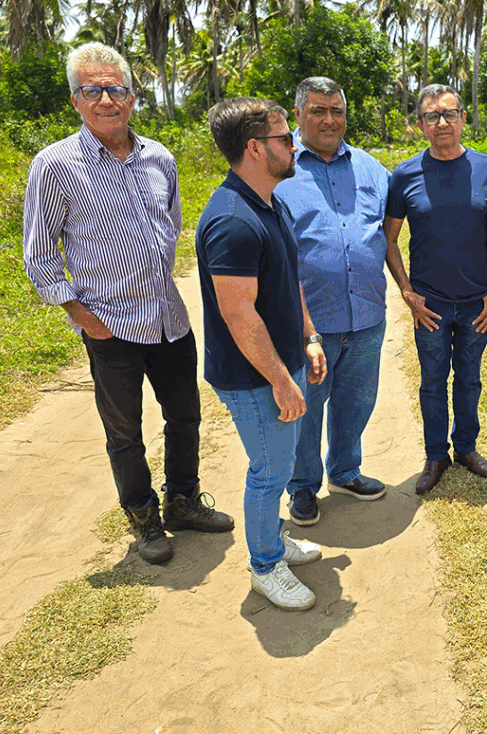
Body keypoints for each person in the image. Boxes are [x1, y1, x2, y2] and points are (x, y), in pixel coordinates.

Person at [22, 43, 232, 566]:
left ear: (132, 97)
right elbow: (39, 253)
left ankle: (183, 501)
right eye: (92, 90)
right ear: (75, 100)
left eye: (116, 89)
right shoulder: (55, 165)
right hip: (110, 326)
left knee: (185, 416)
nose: (106, 100)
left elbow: (171, 224)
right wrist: (80, 314)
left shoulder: (159, 156)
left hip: (169, 318)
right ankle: (143, 518)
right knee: (124, 433)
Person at [197, 97, 326, 611]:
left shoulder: (270, 202)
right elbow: (239, 315)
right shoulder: (233, 220)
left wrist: (309, 337)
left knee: (282, 460)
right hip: (253, 375)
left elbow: (289, 280)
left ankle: (273, 539)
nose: (294, 146)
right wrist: (279, 378)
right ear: (254, 148)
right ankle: (266, 565)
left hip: (278, 362)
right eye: (284, 138)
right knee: (270, 470)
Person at [273, 77, 390, 527]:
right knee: (305, 408)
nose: (329, 120)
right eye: (318, 110)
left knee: (357, 401)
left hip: (366, 315)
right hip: (309, 321)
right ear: (298, 114)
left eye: (336, 111)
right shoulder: (279, 169)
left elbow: (392, 229)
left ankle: (345, 471)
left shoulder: (371, 169)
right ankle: (302, 486)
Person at [384, 85, 487, 495]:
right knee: (432, 381)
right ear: (420, 124)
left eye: (450, 114)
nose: (442, 123)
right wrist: (407, 292)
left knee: (469, 380)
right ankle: (436, 454)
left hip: (477, 302)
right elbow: (389, 239)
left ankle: (466, 448)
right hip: (431, 304)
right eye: (432, 116)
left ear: (463, 118)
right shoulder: (404, 175)